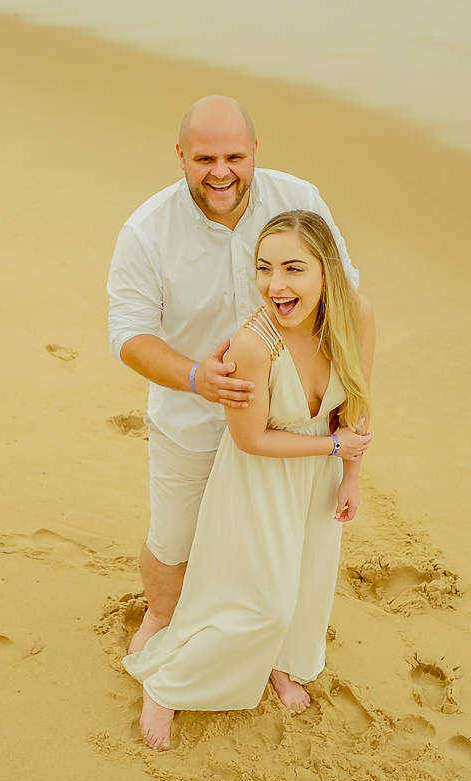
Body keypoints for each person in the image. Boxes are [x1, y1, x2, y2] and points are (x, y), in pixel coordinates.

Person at [106, 96, 370, 657]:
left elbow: (344, 296)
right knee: (176, 539)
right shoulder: (146, 230)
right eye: (204, 159)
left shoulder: (299, 199)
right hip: (192, 415)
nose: (220, 172)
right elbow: (127, 334)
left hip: (294, 416)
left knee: (277, 543)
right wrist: (196, 376)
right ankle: (160, 616)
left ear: (254, 151)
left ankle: (267, 645)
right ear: (180, 156)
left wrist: (342, 425)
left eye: (233, 156)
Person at [122, 210, 376, 750]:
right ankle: (169, 686)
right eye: (264, 269)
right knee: (265, 602)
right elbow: (250, 439)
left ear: (325, 271)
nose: (276, 285)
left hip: (319, 477)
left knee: (307, 584)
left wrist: (349, 474)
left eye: (293, 269)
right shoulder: (254, 345)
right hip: (260, 478)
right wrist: (332, 447)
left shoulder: (355, 316)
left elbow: (357, 399)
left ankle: (280, 665)